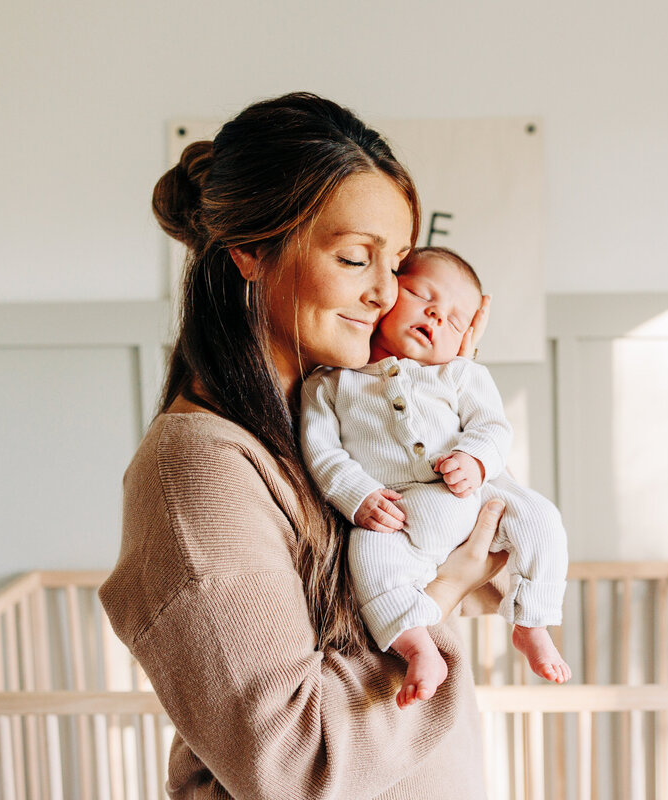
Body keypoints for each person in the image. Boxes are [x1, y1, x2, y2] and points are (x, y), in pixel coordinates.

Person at [99, 93, 506, 800]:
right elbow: (293, 761)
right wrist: (439, 596)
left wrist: (453, 392)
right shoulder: (199, 470)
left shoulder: (328, 422)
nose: (386, 295)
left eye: (400, 265)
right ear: (251, 252)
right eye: (356, 259)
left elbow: (492, 567)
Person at [300, 248, 571, 709]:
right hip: (398, 512)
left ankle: (532, 623)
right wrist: (359, 496)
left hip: (477, 492)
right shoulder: (330, 383)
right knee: (368, 558)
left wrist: (475, 458)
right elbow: (323, 454)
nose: (436, 315)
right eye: (421, 295)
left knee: (541, 518)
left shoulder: (461, 372)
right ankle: (420, 648)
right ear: (384, 297)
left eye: (455, 319)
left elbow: (492, 428)